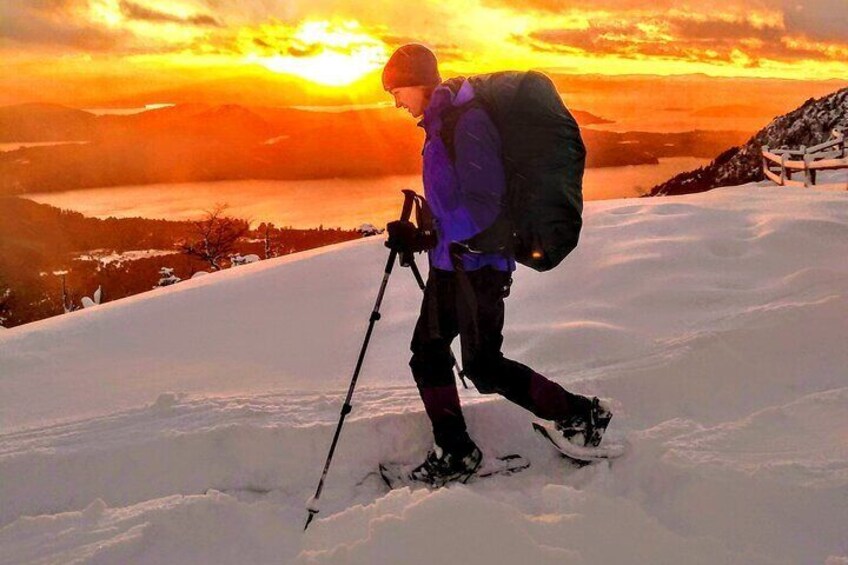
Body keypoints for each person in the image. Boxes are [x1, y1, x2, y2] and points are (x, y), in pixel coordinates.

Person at [382, 44, 612, 484]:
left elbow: (484, 208)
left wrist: (430, 235)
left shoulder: (466, 123)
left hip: (479, 267)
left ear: (416, 83)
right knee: (427, 353)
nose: (395, 102)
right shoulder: (441, 123)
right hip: (452, 265)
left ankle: (582, 414)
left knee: (483, 366)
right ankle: (455, 451)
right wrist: (420, 231)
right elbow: (454, 201)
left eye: (396, 91)